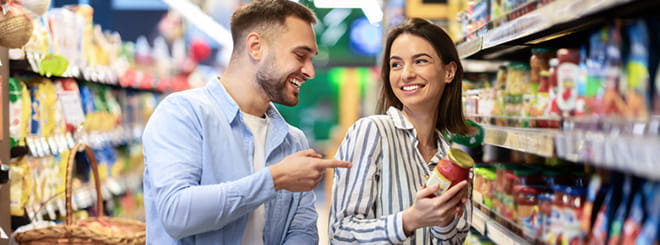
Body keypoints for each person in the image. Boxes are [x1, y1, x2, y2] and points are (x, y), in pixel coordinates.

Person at [142, 1, 352, 244]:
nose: (310, 71)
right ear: (255, 47)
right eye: (300, 55)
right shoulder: (183, 114)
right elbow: (176, 213)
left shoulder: (293, 141)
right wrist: (273, 179)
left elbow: (302, 230)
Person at [329, 18, 473, 244]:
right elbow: (341, 234)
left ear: (449, 72)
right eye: (396, 64)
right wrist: (409, 220)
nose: (406, 74)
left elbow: (454, 241)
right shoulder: (371, 132)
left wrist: (444, 220)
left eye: (420, 61)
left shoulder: (452, 159)